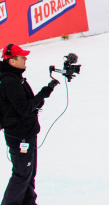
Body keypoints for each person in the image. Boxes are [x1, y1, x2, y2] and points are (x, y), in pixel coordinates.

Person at [0, 44, 60, 205]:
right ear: (12, 61)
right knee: (21, 174)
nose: (25, 59)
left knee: (29, 173)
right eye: (22, 57)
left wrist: (45, 92)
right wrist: (43, 93)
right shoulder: (10, 82)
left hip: (27, 133)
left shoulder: (16, 78)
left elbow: (28, 105)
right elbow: (25, 109)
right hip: (20, 136)